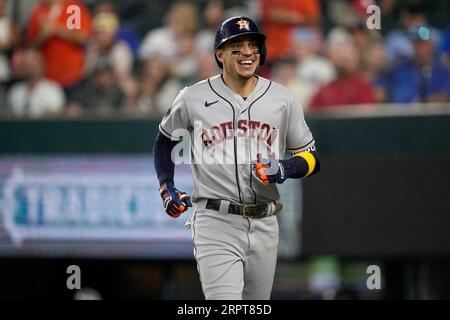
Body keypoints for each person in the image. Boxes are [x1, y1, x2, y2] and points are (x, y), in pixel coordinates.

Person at [153, 16, 320, 300]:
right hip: (215, 220)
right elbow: (164, 142)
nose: (247, 53)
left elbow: (312, 158)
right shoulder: (193, 97)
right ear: (220, 53)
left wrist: (285, 168)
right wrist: (166, 185)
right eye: (237, 46)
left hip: (265, 220)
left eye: (252, 45)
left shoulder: (283, 98)